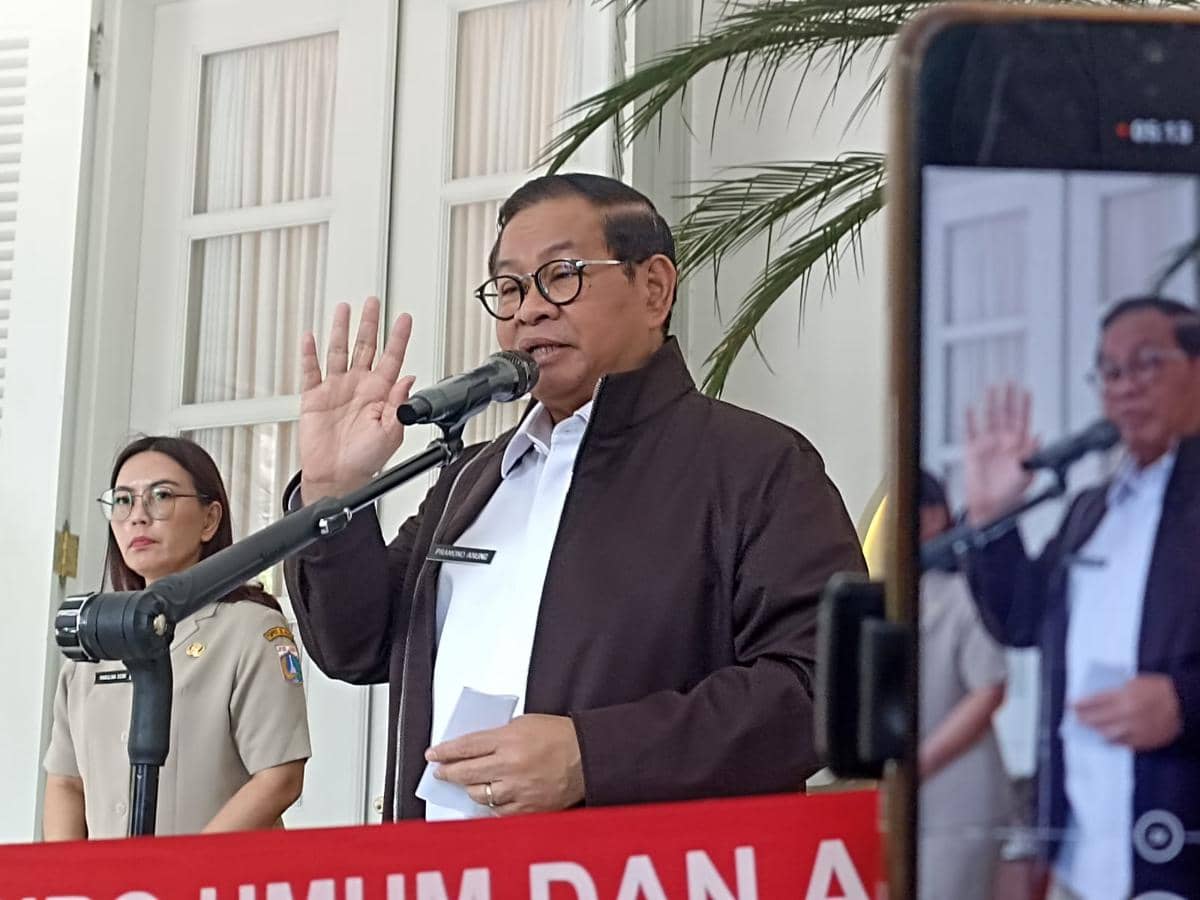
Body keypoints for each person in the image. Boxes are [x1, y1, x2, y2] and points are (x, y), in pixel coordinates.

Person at [283, 173, 865, 821]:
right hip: (448, 865)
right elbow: (357, 646)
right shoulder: (472, 479)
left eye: (561, 275)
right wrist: (332, 494)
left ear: (654, 288)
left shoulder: (756, 466)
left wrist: (593, 757)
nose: (529, 309)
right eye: (509, 288)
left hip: (645, 866)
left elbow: (823, 687)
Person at [962, 297, 1200, 899]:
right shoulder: (1092, 510)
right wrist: (993, 519)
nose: (1125, 386)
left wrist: (1186, 704)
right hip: (1081, 854)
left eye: (1147, 363)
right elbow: (1020, 622)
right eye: (1111, 372)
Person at [43, 436, 311, 840]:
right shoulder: (95, 636)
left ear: (209, 520)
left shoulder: (251, 628)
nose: (138, 516)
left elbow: (279, 778)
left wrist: (182, 869)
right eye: (123, 500)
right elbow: (66, 781)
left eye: (161, 496)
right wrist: (72, 873)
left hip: (221, 872)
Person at [916, 470, 1010, 900]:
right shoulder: (897, 592)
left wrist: (920, 760)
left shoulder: (962, 593)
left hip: (958, 790)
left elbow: (989, 689)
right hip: (915, 793)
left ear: (935, 517)